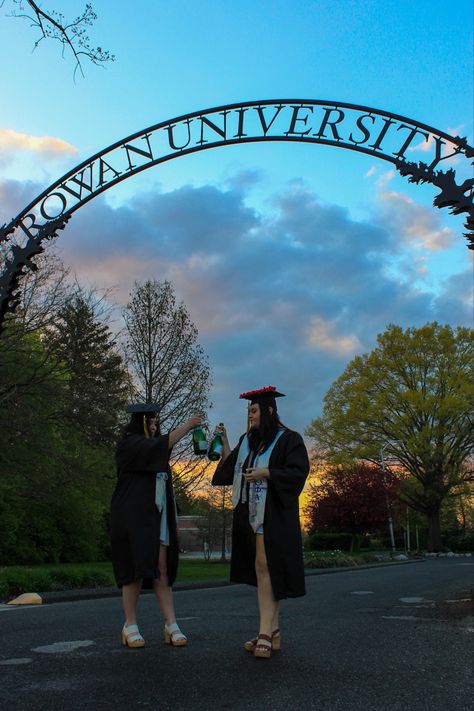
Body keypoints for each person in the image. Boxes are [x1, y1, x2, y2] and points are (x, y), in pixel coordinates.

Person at [212, 386, 309, 659]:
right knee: (261, 568)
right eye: (248, 411)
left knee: (267, 566)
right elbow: (234, 469)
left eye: (253, 411)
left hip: (274, 514)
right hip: (251, 514)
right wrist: (225, 442)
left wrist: (268, 472)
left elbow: (298, 471)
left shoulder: (289, 439)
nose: (250, 416)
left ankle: (265, 631)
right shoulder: (249, 441)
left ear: (268, 411)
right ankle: (272, 631)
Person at [110, 402, 203, 648]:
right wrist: (189, 425)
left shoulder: (154, 451)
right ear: (139, 424)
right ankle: (129, 624)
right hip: (134, 518)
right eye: (150, 423)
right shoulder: (130, 445)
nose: (154, 427)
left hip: (157, 517)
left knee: (161, 567)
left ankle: (171, 624)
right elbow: (159, 445)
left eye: (155, 423)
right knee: (135, 568)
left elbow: (160, 449)